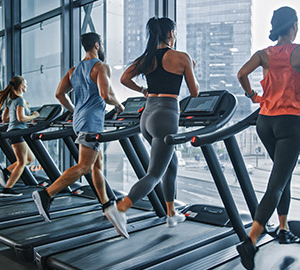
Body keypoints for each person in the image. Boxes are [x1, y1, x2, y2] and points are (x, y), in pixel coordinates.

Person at [235, 7, 300, 270]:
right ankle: (249, 241)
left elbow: (241, 75)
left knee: (282, 176)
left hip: (265, 121)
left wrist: (252, 95)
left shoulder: (264, 54)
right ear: (294, 25)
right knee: (276, 183)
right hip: (290, 123)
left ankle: (283, 228)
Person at [109, 17, 199, 238]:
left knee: (171, 164)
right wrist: (191, 68)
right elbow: (194, 92)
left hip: (147, 116)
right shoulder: (181, 57)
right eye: (174, 32)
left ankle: (171, 213)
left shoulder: (147, 58)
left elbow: (124, 78)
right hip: (166, 115)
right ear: (170, 33)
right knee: (155, 173)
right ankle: (120, 209)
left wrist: (143, 90)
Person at [32, 32, 125, 228]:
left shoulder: (73, 71)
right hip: (92, 122)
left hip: (80, 121)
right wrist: (119, 105)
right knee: (84, 166)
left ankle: (106, 203)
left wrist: (74, 110)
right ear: (97, 45)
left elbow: (59, 94)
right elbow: (105, 94)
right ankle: (46, 194)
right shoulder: (100, 67)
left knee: (96, 165)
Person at [0, 76, 39, 197]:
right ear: (20, 86)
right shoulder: (19, 100)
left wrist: (17, 119)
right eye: (25, 84)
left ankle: (5, 172)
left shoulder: (11, 101)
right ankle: (7, 189)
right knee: (22, 162)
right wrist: (34, 116)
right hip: (17, 132)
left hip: (13, 131)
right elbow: (21, 118)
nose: (26, 86)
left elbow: (4, 118)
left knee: (30, 159)